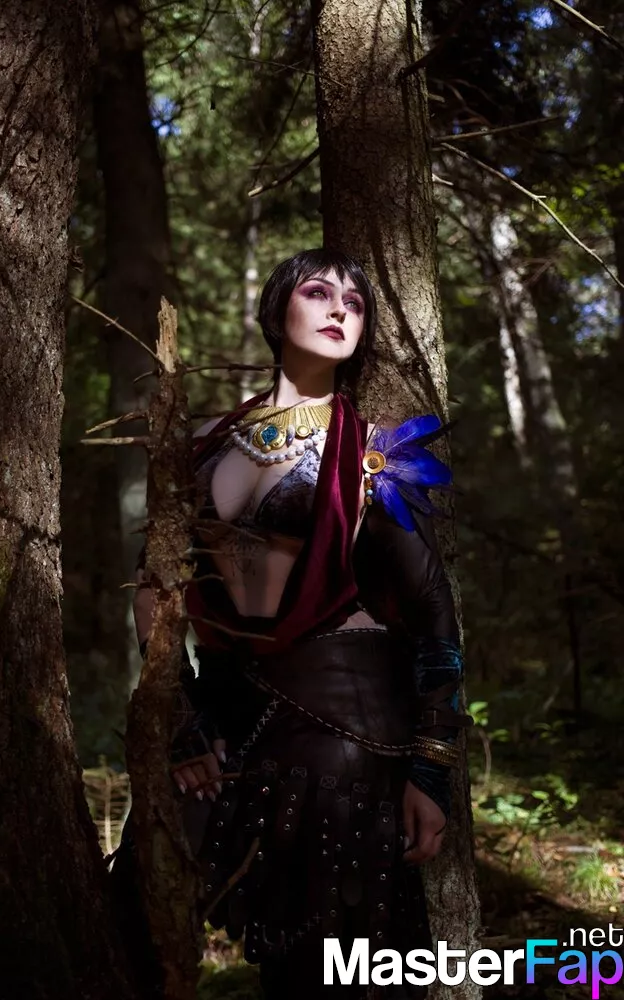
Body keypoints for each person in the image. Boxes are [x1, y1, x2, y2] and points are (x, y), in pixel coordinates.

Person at [123, 248, 469, 998]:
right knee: (138, 908)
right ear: (277, 310)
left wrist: (430, 767)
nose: (341, 308)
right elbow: (157, 587)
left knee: (334, 963)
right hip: (228, 712)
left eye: (356, 302)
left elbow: (432, 610)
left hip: (344, 724)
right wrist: (181, 720)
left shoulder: (375, 455)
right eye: (318, 292)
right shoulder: (205, 443)